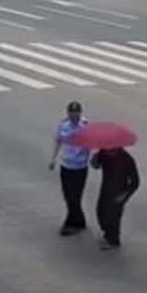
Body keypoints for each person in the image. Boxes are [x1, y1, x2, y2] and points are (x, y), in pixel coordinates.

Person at [49, 101, 90, 236]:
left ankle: (71, 223)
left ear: (80, 113)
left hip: (80, 167)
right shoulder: (63, 125)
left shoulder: (85, 126)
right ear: (68, 113)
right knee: (68, 196)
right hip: (66, 166)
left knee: (75, 197)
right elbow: (58, 140)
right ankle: (79, 221)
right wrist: (53, 158)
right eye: (71, 113)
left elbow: (92, 143)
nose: (74, 116)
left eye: (76, 113)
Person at [90, 148, 140, 250]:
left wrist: (125, 194)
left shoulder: (127, 159)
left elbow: (135, 181)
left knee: (113, 217)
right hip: (105, 189)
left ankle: (114, 240)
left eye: (110, 151)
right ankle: (107, 232)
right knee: (100, 212)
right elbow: (96, 166)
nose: (108, 152)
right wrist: (94, 160)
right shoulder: (103, 153)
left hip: (119, 192)